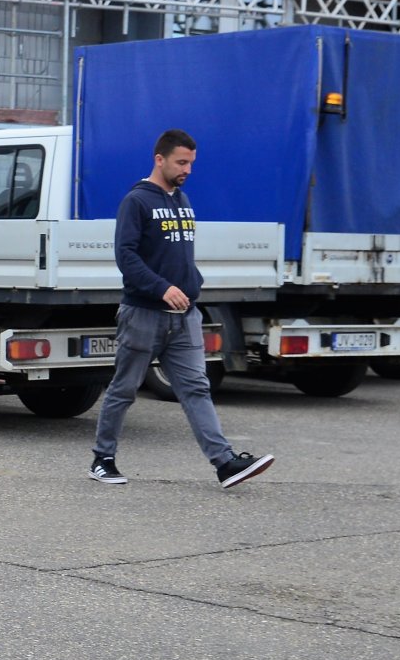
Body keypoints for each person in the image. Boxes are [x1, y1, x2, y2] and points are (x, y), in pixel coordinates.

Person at [88, 128, 273, 489]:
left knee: (196, 390)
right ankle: (102, 458)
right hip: (143, 314)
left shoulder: (182, 199)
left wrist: (192, 284)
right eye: (181, 162)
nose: (187, 169)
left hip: (184, 317)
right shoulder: (137, 201)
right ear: (160, 159)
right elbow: (125, 256)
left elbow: (180, 256)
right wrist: (162, 288)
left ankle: (225, 464)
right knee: (124, 389)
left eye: (191, 162)